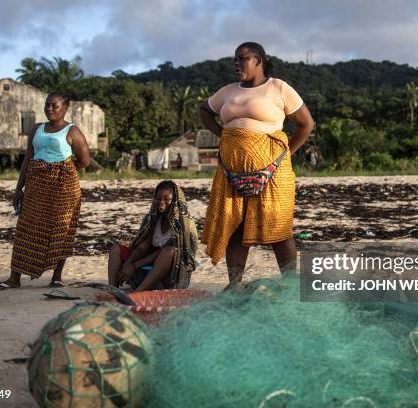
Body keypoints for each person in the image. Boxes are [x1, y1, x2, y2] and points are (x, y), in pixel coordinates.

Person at [200, 42, 314, 285]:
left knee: (277, 227)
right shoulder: (228, 90)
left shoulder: (278, 87)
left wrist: (286, 154)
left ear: (259, 60)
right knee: (236, 225)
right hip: (231, 172)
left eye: (242, 58)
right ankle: (235, 284)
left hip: (273, 171)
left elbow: (306, 124)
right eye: (235, 59)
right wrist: (224, 136)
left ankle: (291, 285)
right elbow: (205, 111)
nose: (236, 63)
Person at [0, 92, 90, 291]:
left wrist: (61, 170)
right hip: (35, 186)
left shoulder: (72, 131)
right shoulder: (37, 129)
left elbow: (84, 161)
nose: (50, 109)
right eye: (47, 105)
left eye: (54, 106)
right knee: (26, 228)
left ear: (65, 108)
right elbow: (28, 158)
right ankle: (14, 278)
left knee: (62, 229)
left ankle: (57, 277)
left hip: (64, 188)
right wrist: (19, 189)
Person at [107, 180, 198, 291]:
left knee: (169, 251)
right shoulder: (153, 219)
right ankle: (113, 289)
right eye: (158, 198)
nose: (161, 202)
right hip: (148, 264)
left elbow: (164, 252)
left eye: (167, 199)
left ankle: (138, 292)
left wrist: (134, 266)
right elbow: (142, 247)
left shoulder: (184, 224)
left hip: (171, 270)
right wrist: (129, 263)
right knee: (116, 249)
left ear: (174, 201)